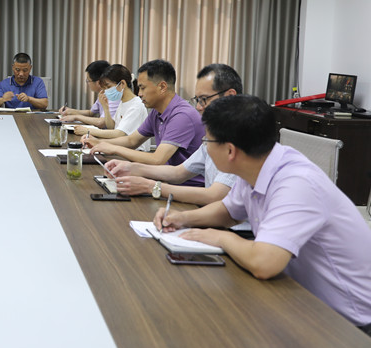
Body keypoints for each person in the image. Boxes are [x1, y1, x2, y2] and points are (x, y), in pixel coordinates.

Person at [155, 95, 371, 335]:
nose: (205, 146)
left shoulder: (296, 183)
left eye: (207, 140)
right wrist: (183, 218)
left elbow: (264, 263)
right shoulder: (256, 164)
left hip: (351, 325)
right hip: (299, 298)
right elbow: (228, 211)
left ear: (230, 150)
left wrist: (221, 238)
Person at [105, 63, 241, 204]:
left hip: (198, 197)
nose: (199, 107)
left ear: (229, 96)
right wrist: (131, 168)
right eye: (197, 100)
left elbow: (215, 196)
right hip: (194, 198)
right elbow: (178, 173)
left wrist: (151, 187)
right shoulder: (214, 137)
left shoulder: (241, 138)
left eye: (204, 99)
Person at [84, 59, 204, 184]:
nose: (139, 93)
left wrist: (113, 148)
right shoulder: (156, 112)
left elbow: (157, 159)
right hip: (165, 180)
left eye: (142, 88)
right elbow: (132, 140)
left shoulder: (182, 115)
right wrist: (99, 143)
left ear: (162, 87)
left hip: (187, 187)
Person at [74, 64, 149, 150]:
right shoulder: (123, 102)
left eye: (109, 87)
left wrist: (88, 131)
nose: (106, 91)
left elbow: (119, 133)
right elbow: (112, 127)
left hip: (134, 153)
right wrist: (106, 108)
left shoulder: (136, 105)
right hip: (121, 149)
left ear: (122, 84)